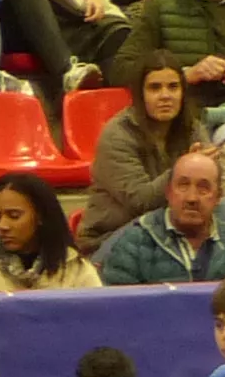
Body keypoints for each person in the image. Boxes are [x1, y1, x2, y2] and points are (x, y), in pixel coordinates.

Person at [80, 50, 204, 250]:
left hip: (172, 227)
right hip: (111, 239)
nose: (165, 96)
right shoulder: (117, 134)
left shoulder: (193, 128)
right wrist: (185, 167)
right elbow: (141, 203)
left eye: (173, 87)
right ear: (140, 94)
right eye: (155, 88)